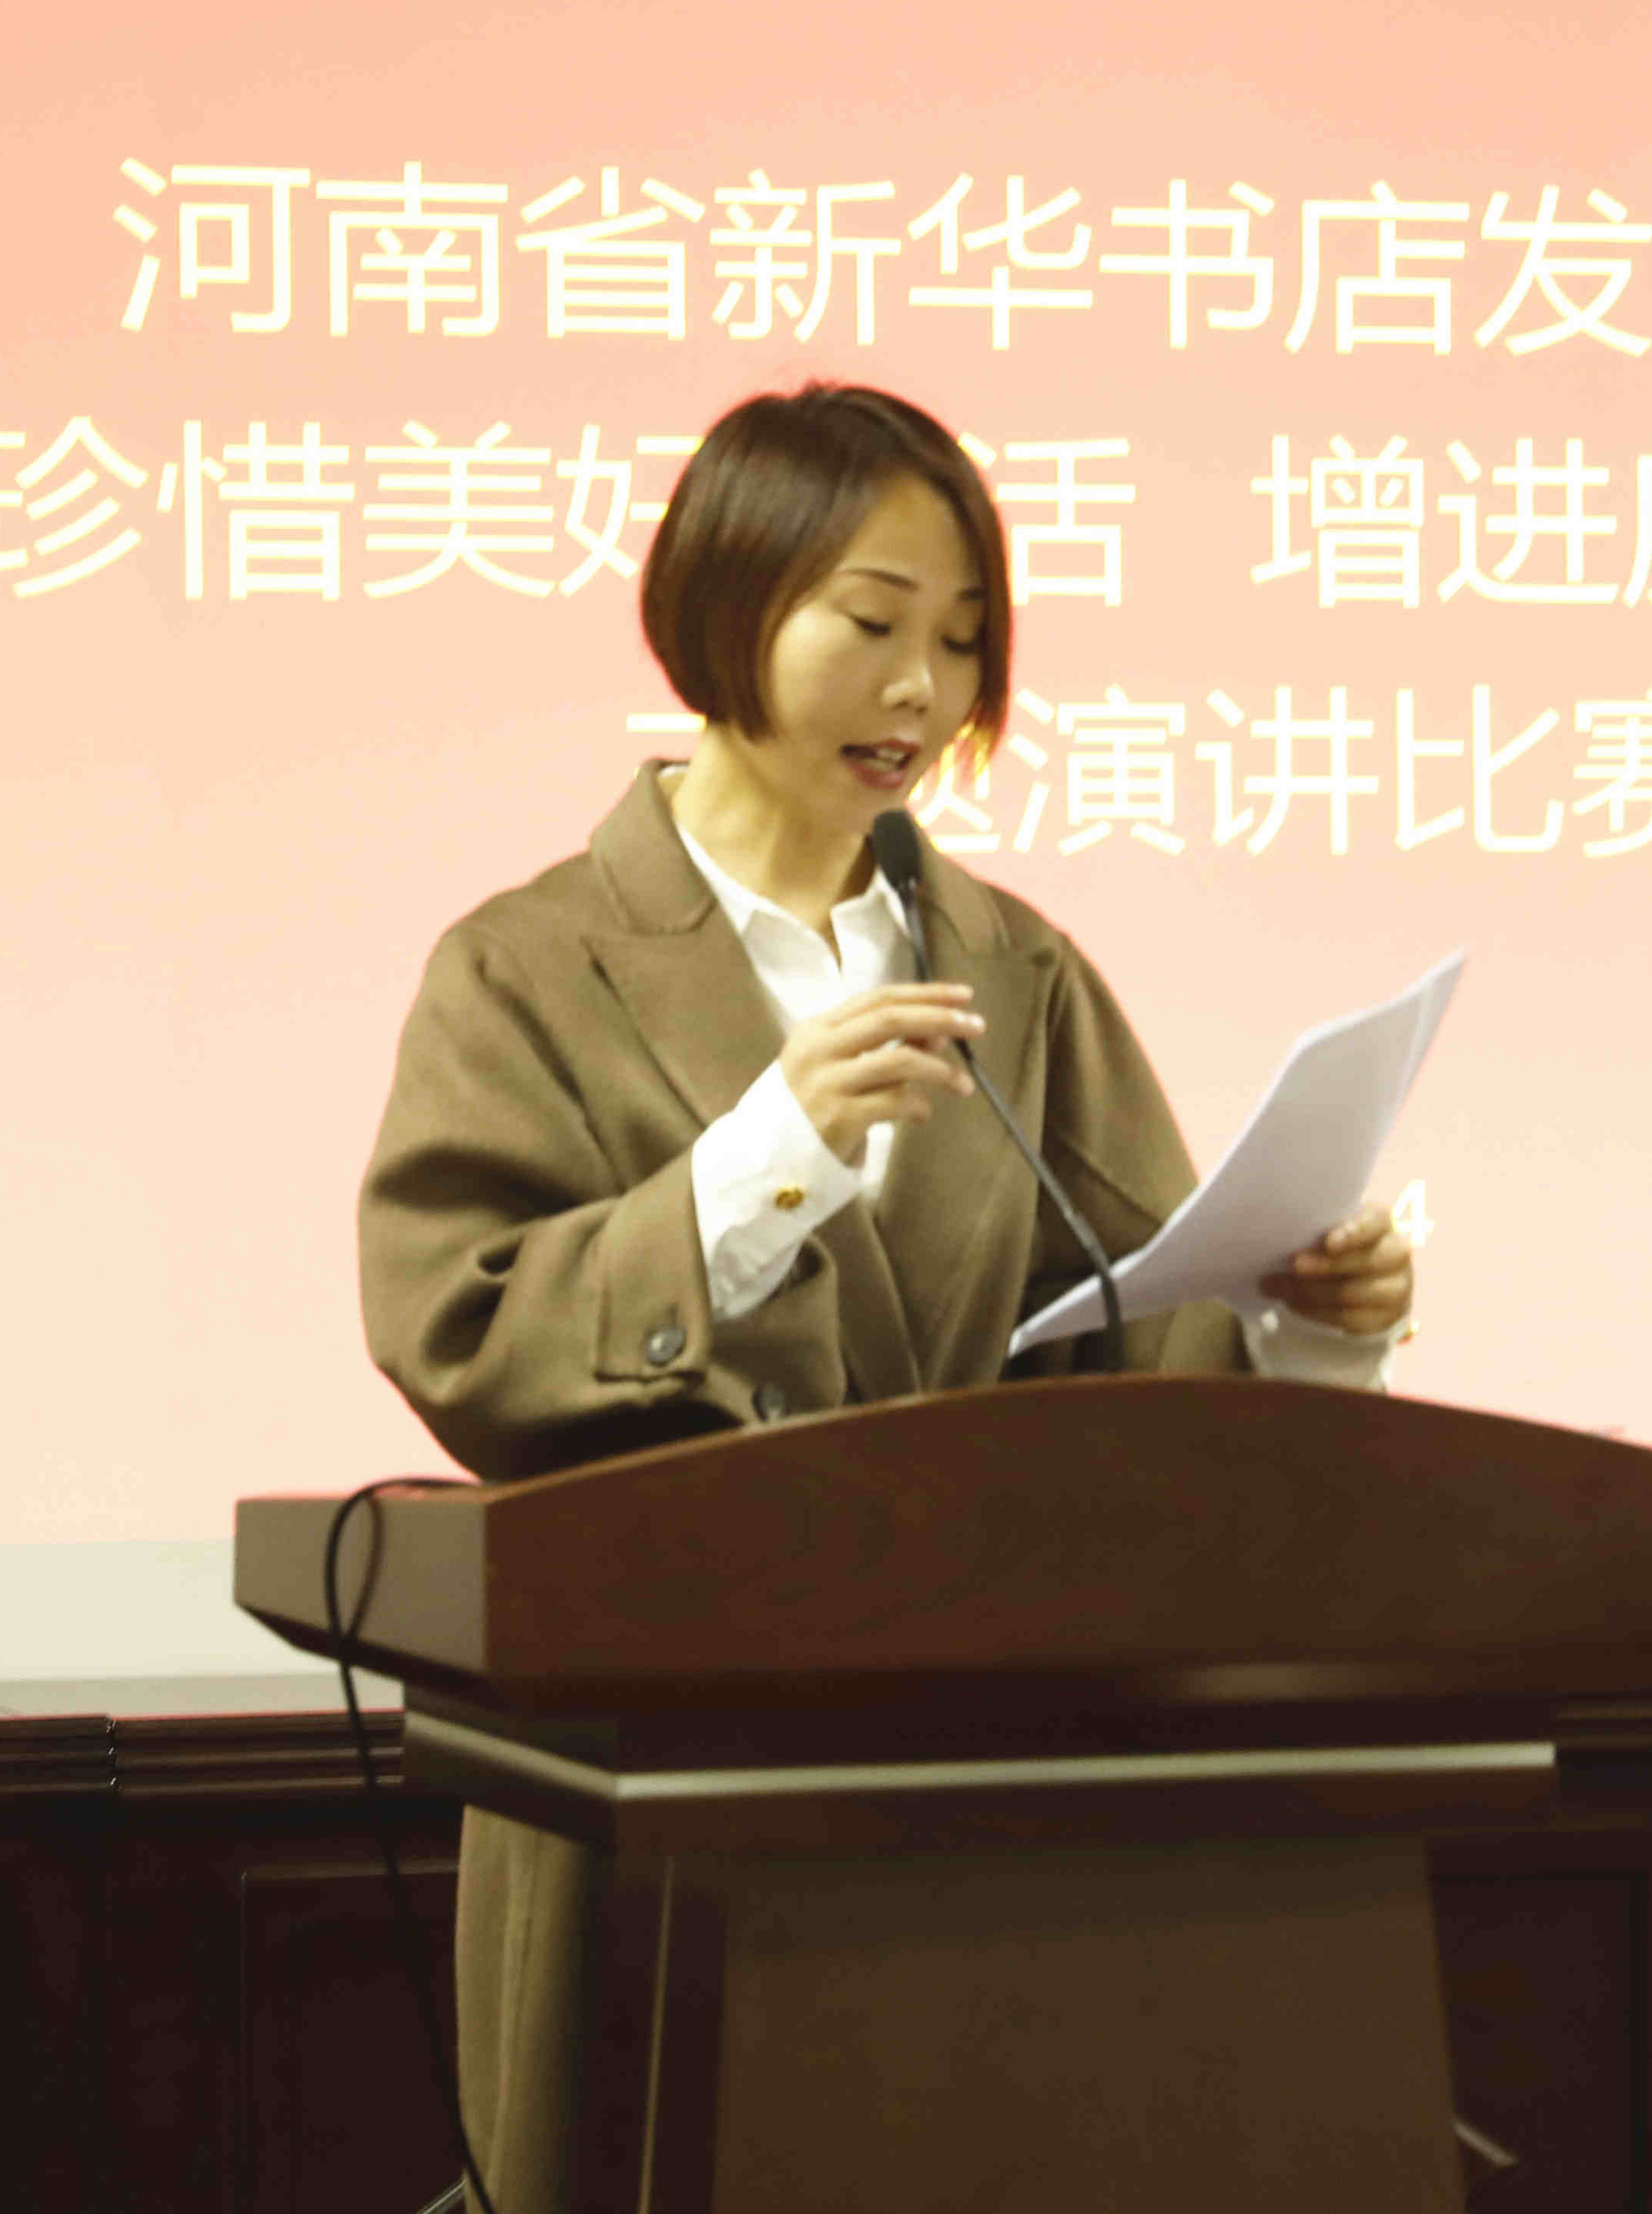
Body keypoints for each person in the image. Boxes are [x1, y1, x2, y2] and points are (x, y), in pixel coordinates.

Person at [355, 380, 1417, 2208]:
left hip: (989, 1798)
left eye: (965, 637)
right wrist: (762, 1159)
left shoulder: (1014, 966)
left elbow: (1138, 1333)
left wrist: (1311, 1309)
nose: (922, 689)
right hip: (653, 1778)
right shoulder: (531, 965)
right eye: (871, 621)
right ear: (724, 605)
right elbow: (460, 1321)